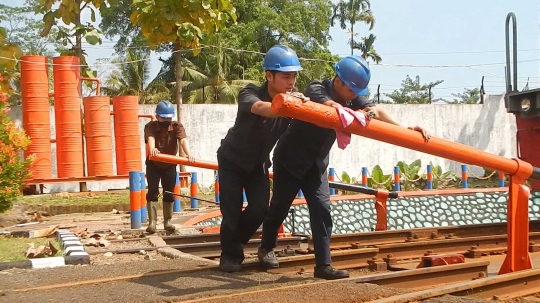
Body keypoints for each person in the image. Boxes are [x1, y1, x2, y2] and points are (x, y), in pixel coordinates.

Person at [258, 55, 431, 280]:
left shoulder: (351, 98)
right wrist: (355, 113)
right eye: (351, 90)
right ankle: (266, 247)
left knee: (321, 210)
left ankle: (323, 265)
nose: (354, 96)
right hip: (289, 159)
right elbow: (332, 108)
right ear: (338, 81)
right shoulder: (317, 88)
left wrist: (405, 129)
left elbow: (374, 110)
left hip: (316, 164)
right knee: (280, 206)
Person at [216, 45, 304, 273]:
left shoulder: (292, 99)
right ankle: (230, 256)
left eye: (294, 75)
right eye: (285, 76)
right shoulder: (250, 92)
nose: (291, 81)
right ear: (269, 75)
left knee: (260, 209)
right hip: (231, 161)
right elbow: (260, 108)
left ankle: (234, 242)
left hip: (258, 164)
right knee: (231, 211)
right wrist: (287, 105)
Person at [144, 100, 195, 234]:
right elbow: (150, 138)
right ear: (157, 117)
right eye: (164, 118)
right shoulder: (150, 126)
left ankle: (168, 222)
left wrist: (189, 154)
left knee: (169, 192)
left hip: (170, 165)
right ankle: (152, 223)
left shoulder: (177, 126)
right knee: (152, 191)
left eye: (169, 118)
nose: (167, 120)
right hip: (153, 164)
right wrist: (153, 149)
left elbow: (183, 140)